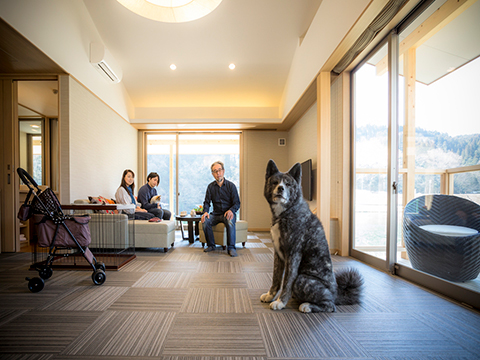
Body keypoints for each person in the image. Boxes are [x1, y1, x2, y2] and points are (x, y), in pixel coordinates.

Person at [201, 161, 240, 257]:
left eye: (219, 170)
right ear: (212, 174)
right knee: (205, 220)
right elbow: (206, 202)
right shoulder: (210, 187)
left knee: (230, 220)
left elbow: (237, 203)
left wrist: (231, 210)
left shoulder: (231, 186)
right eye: (215, 171)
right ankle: (211, 245)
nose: (218, 173)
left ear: (223, 171)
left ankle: (231, 248)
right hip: (216, 214)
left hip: (228, 213)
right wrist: (205, 212)